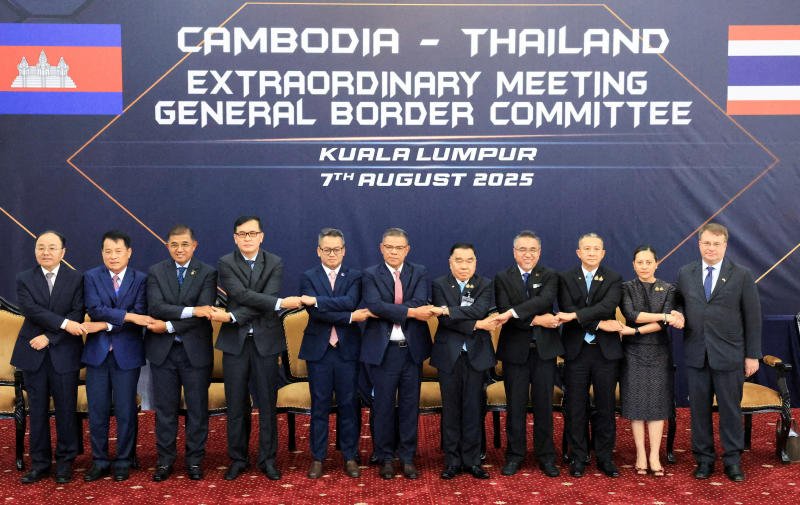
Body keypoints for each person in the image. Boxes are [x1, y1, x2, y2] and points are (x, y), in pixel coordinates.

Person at [210, 215, 303, 481]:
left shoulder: (274, 262)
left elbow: (258, 299)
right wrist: (277, 304)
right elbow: (240, 295)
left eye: (252, 233)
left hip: (266, 342)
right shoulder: (226, 263)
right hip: (235, 343)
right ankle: (238, 459)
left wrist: (235, 315)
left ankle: (268, 458)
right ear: (235, 237)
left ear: (261, 236)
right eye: (242, 234)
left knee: (267, 403)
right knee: (236, 404)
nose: (247, 238)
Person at [674, 222, 761, 482]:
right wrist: (677, 311)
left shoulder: (742, 274)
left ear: (725, 245)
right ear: (699, 244)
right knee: (698, 411)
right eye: (706, 243)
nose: (711, 248)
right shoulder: (685, 272)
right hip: (696, 354)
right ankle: (704, 460)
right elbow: (678, 300)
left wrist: (752, 355)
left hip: (730, 355)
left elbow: (753, 317)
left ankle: (733, 461)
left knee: (730, 411)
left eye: (716, 243)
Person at [11, 231, 88, 484]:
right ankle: (40, 463)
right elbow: (32, 311)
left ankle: (65, 462)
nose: (46, 252)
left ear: (63, 252)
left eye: (52, 247)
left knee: (66, 410)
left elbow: (78, 312)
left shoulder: (76, 278)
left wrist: (51, 337)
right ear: (35, 251)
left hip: (63, 352)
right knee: (38, 411)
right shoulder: (25, 279)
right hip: (33, 354)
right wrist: (64, 323)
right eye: (41, 247)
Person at [144, 225, 218, 481]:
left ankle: (195, 461)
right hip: (163, 353)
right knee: (165, 410)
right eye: (174, 244)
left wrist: (169, 325)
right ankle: (165, 461)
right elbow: (156, 306)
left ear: (194, 245)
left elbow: (205, 311)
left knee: (197, 410)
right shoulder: (155, 272)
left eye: (184, 244)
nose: (179, 249)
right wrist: (191, 311)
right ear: (167, 246)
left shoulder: (208, 273)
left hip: (195, 352)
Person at [361, 227, 434, 480]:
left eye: (399, 248)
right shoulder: (370, 274)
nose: (393, 252)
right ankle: (385, 457)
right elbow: (374, 304)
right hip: (383, 352)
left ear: (407, 250)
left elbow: (421, 300)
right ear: (381, 248)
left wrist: (391, 309)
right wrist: (411, 313)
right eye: (389, 247)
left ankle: (407, 456)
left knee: (408, 406)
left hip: (411, 351)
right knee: (382, 407)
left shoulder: (419, 272)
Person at [298, 228, 371, 479]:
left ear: (344, 250)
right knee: (319, 405)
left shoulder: (355, 276)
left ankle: (350, 456)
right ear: (318, 251)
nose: (332, 254)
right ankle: (318, 457)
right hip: (319, 351)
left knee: (349, 404)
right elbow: (316, 314)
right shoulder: (308, 276)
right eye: (327, 249)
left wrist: (317, 300)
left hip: (347, 349)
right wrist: (349, 317)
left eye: (337, 249)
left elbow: (351, 300)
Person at [492, 231, 564, 478]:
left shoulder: (551, 275)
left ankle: (546, 457)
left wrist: (515, 313)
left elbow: (544, 300)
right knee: (516, 406)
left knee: (544, 406)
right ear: (514, 252)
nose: (528, 254)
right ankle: (515, 455)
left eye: (532, 249)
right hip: (515, 352)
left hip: (544, 351)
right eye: (522, 249)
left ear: (539, 252)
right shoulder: (502, 277)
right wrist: (537, 320)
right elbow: (503, 312)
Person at [82, 230, 150, 482]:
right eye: (108, 251)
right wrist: (127, 316)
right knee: (97, 410)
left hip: (127, 354)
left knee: (125, 410)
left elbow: (141, 314)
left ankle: (123, 459)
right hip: (97, 354)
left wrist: (105, 325)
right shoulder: (90, 277)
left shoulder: (141, 279)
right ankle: (99, 460)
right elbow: (95, 309)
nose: (113, 256)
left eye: (118, 251)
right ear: (102, 253)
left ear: (129, 253)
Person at [556, 232, 623, 478]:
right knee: (576, 407)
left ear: (603, 253)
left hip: (605, 353)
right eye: (587, 248)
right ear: (578, 252)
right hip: (576, 351)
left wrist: (582, 318)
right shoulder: (564, 278)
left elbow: (607, 307)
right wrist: (598, 324)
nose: (592, 252)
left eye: (597, 249)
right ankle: (578, 456)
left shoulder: (614, 278)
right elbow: (567, 308)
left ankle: (605, 457)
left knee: (605, 406)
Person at [430, 243, 498, 480]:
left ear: (475, 262)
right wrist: (477, 324)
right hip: (449, 355)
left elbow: (479, 309)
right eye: (459, 260)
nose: (464, 265)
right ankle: (452, 460)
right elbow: (445, 321)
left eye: (469, 260)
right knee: (451, 409)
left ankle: (472, 460)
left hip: (477, 355)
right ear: (451, 262)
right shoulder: (439, 284)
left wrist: (449, 310)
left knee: (473, 408)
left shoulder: (485, 284)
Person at [619, 245, 680, 477]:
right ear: (633, 265)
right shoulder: (626, 288)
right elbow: (632, 315)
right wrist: (664, 316)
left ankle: (654, 454)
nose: (644, 266)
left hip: (659, 353)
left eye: (648, 262)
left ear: (657, 263)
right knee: (636, 406)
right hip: (632, 354)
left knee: (657, 405)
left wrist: (635, 331)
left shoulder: (669, 289)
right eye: (639, 262)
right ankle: (640, 454)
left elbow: (661, 324)